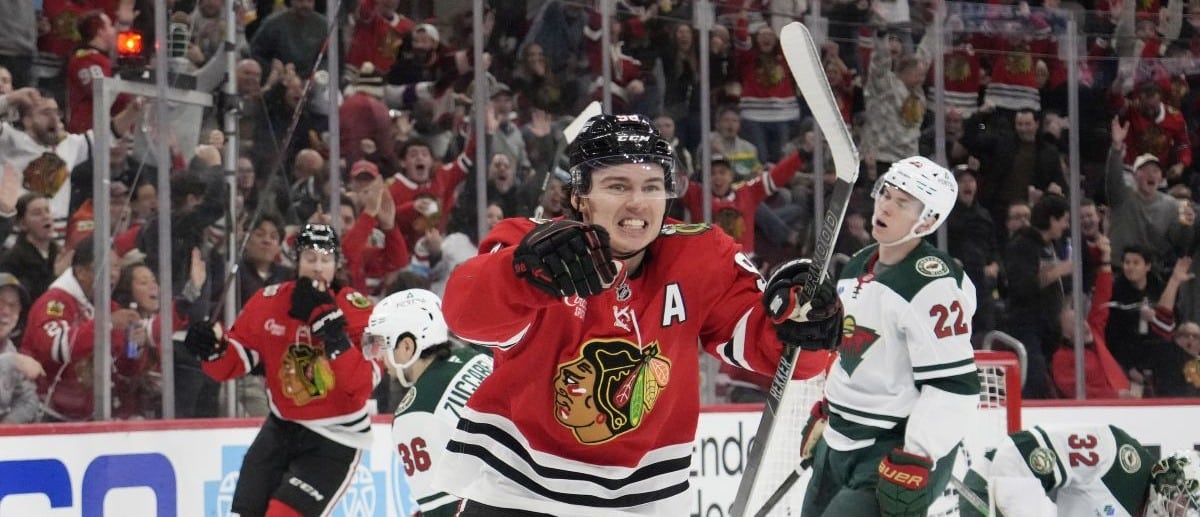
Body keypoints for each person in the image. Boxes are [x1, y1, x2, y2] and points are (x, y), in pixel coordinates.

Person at [436, 114, 837, 515]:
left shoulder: (700, 257)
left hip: (643, 503)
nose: (637, 202)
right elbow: (464, 313)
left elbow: (780, 355)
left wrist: (803, 325)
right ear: (579, 196)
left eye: (651, 186)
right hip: (515, 491)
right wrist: (522, 273)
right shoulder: (532, 245)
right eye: (617, 186)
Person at [799, 156, 980, 517]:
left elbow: (954, 387)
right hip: (839, 442)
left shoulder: (932, 285)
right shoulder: (857, 264)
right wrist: (829, 408)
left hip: (892, 450)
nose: (885, 205)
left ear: (928, 220)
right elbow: (854, 351)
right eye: (886, 194)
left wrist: (917, 454)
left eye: (902, 203)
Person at [182, 223, 380, 516]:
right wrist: (214, 349)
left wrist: (334, 335)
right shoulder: (268, 302)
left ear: (336, 264)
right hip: (281, 427)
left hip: (336, 436)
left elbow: (362, 385)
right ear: (296, 260)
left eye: (326, 260)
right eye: (310, 258)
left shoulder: (360, 310)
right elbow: (235, 361)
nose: (318, 267)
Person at [363, 288, 493, 517]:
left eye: (382, 344)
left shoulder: (413, 415)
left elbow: (443, 510)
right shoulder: (475, 357)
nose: (379, 356)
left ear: (406, 347)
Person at [957, 425, 1199, 517]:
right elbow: (1021, 451)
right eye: (1182, 500)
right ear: (1168, 478)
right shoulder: (1117, 453)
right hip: (992, 484)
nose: (1182, 512)